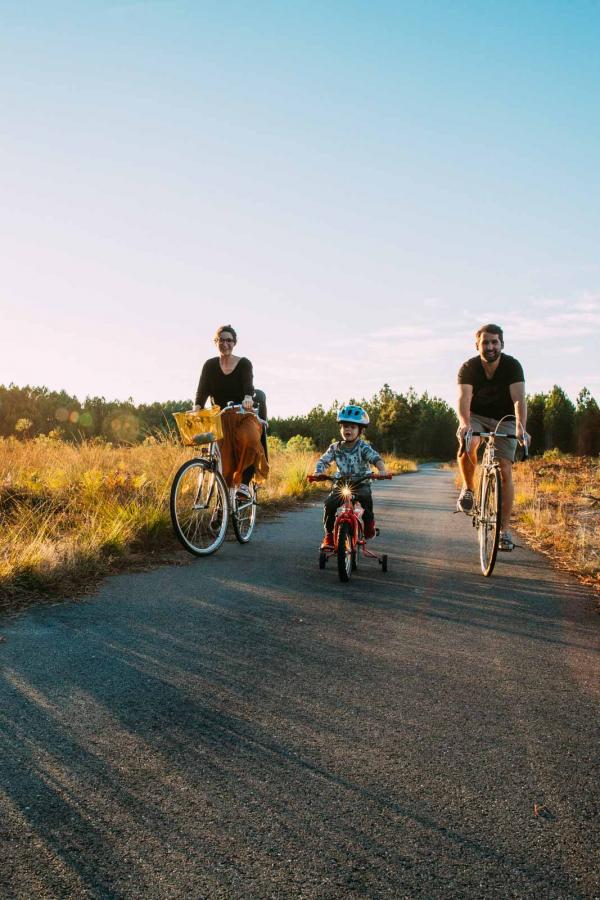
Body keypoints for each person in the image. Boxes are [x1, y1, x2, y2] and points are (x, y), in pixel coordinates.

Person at [456, 323, 529, 551]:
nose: (490, 346)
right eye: (485, 342)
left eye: (494, 342)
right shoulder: (468, 367)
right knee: (471, 441)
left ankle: (504, 532)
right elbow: (463, 399)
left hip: (505, 418)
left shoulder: (512, 366)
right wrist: (465, 424)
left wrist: (521, 427)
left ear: (502, 344)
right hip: (475, 415)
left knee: (505, 468)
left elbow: (518, 399)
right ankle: (469, 488)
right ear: (477, 345)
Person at [194, 324, 268, 495]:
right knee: (223, 464)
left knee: (249, 439)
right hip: (220, 417)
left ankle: (243, 484)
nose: (225, 343)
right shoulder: (210, 365)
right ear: (216, 342)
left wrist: (248, 398)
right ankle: (222, 509)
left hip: (243, 413)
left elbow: (248, 385)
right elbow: (202, 390)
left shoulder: (243, 363)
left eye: (229, 340)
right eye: (221, 340)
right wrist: (197, 408)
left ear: (234, 343)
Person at [313, 405, 388, 550]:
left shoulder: (363, 447)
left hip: (361, 483)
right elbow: (324, 460)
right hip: (341, 483)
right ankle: (329, 535)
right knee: (329, 505)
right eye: (345, 426)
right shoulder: (335, 447)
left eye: (352, 427)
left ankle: (369, 526)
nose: (348, 430)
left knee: (366, 501)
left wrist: (382, 470)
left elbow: (375, 458)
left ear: (361, 430)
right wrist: (318, 472)